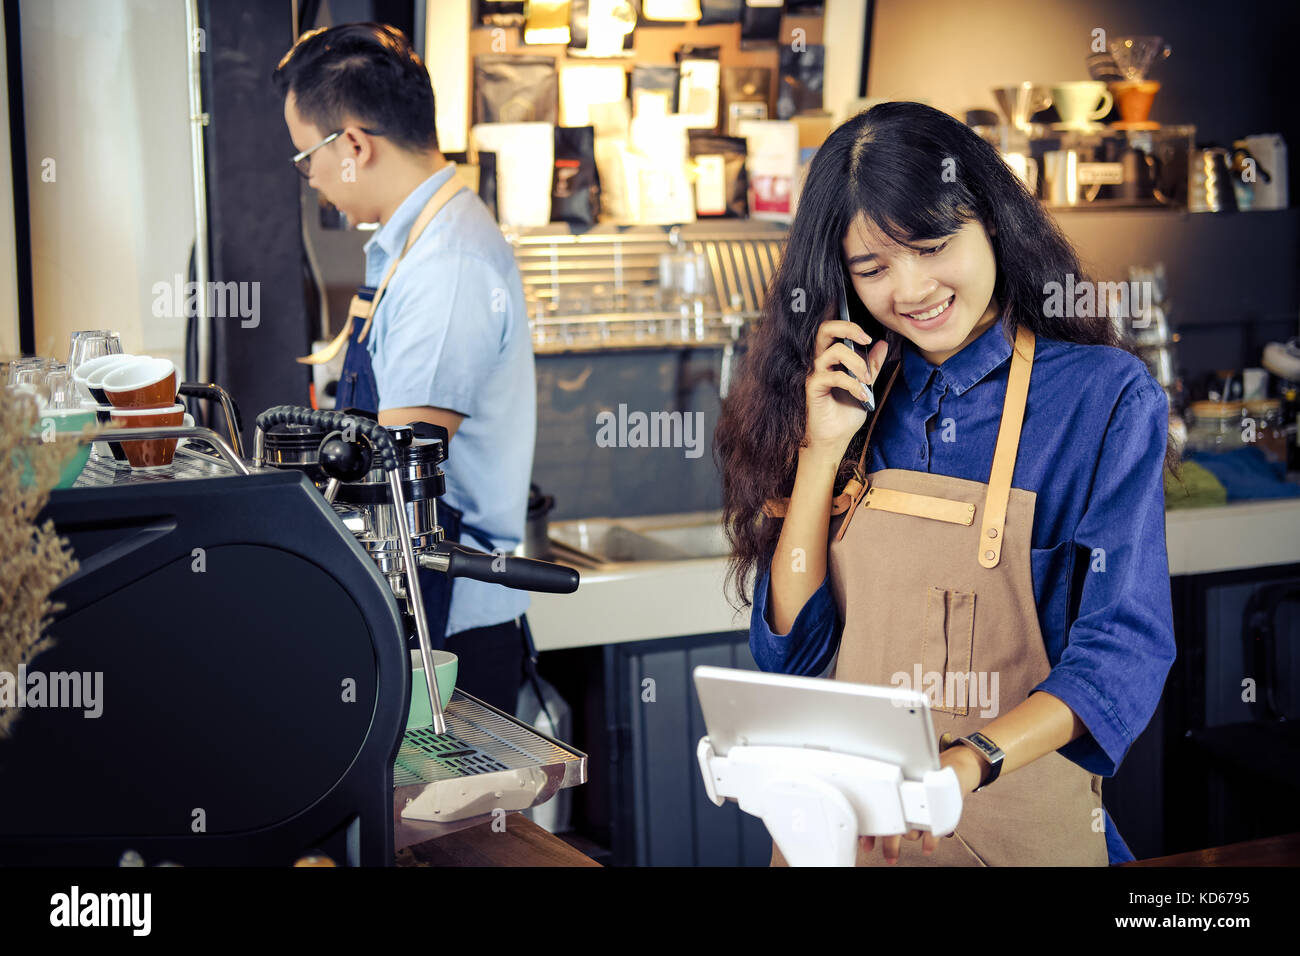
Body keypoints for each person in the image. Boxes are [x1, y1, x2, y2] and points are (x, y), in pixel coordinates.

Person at [714, 102, 1179, 867]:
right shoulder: (849, 394)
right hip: (851, 841)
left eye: (932, 247)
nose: (911, 289)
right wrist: (820, 453)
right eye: (873, 268)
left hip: (1017, 825)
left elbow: (1121, 651)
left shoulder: (1104, 399)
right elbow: (793, 653)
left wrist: (965, 764)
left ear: (990, 221)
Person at [273, 23, 536, 714]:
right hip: (419, 603)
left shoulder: (446, 265)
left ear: (353, 145)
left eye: (307, 160)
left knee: (445, 823)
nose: (313, 180)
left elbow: (397, 479)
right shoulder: (418, 243)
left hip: (445, 625)